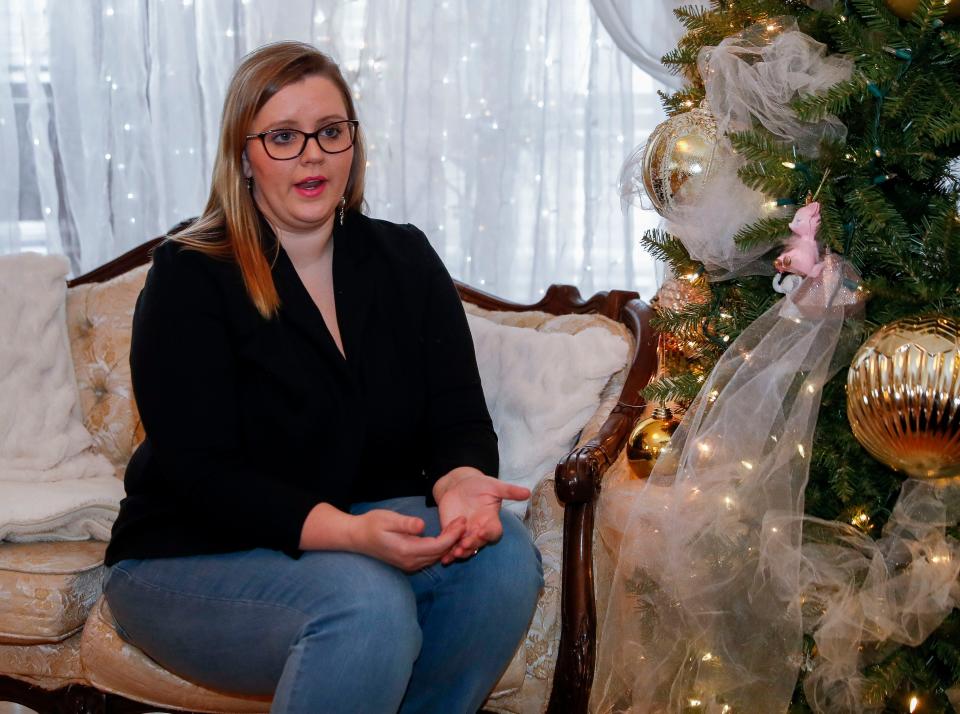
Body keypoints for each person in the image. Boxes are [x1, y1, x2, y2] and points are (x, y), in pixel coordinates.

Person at [101, 40, 543, 714]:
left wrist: (460, 483)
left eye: (330, 132)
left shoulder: (403, 258)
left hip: (348, 541)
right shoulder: (189, 274)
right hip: (187, 558)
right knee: (367, 605)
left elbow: (456, 418)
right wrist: (346, 535)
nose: (312, 154)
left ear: (353, 145)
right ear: (243, 156)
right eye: (283, 137)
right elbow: (201, 474)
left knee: (503, 558)